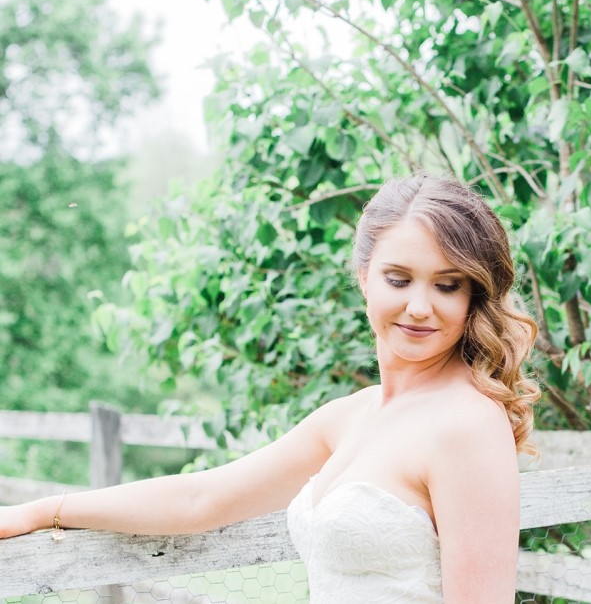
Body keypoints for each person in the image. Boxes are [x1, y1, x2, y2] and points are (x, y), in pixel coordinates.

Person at [0, 174, 541, 603]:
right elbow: (201, 498)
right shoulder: (349, 418)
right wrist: (42, 511)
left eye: (447, 285)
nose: (420, 306)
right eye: (399, 279)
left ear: (474, 296)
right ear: (364, 277)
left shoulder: (467, 425)